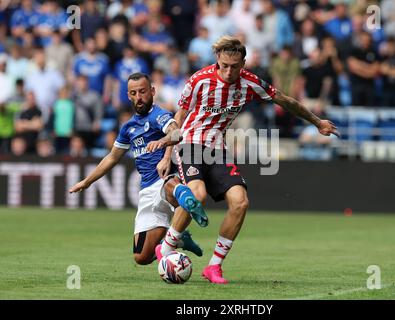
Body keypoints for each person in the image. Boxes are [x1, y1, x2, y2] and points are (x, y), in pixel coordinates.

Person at [154, 36, 340, 284]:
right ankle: (166, 248)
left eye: (234, 66)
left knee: (240, 202)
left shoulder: (250, 83)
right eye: (224, 66)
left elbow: (285, 100)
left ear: (243, 63)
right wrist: (167, 153)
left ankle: (214, 267)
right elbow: (178, 120)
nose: (229, 71)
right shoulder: (199, 80)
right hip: (189, 143)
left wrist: (318, 122)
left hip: (217, 149)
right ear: (217, 61)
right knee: (196, 195)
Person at [69, 72, 208, 266]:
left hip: (164, 178)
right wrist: (86, 181)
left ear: (152, 91)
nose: (139, 97)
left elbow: (176, 132)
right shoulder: (128, 128)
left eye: (142, 92)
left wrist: (162, 143)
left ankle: (188, 199)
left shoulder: (159, 115)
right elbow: (112, 157)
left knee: (170, 184)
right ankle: (179, 238)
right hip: (146, 190)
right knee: (141, 257)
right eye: (133, 93)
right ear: (128, 95)